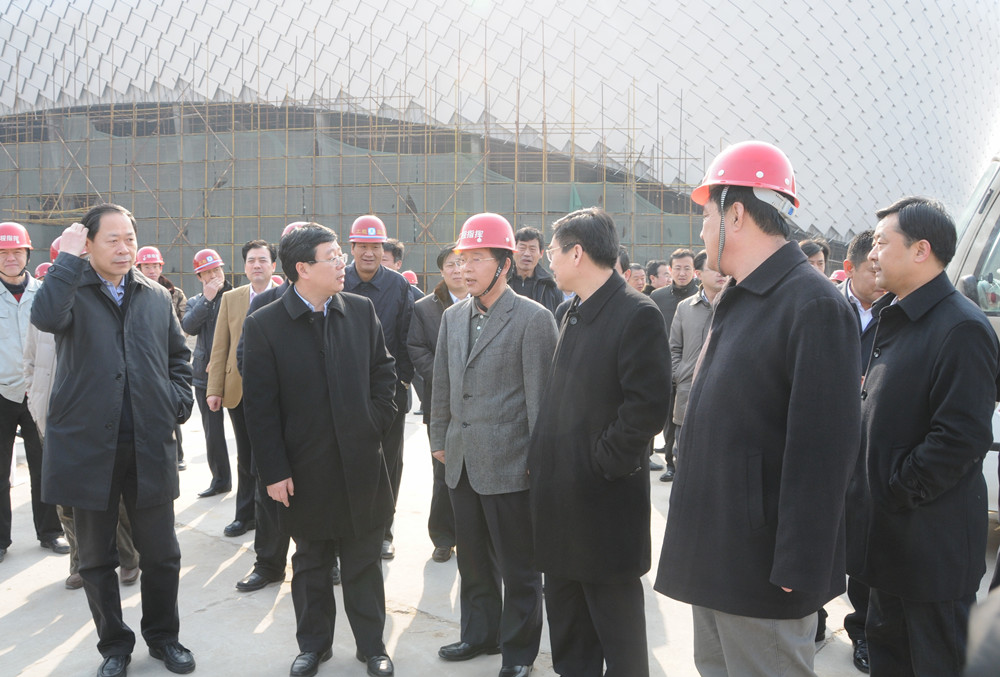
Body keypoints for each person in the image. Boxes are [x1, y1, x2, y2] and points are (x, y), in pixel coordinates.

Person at [655, 141, 861, 677]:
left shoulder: (812, 304)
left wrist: (800, 559)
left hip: (763, 567)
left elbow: (824, 449)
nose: (702, 232)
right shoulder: (742, 295)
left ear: (737, 215)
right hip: (718, 552)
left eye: (707, 217)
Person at [32, 205, 195, 677]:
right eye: (113, 240)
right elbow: (45, 317)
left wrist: (175, 402)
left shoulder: (154, 296)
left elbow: (178, 358)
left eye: (130, 239)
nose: (125, 249)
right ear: (88, 244)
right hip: (89, 448)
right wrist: (66, 259)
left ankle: (164, 638)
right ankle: (114, 646)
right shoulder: (70, 289)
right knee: (96, 559)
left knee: (162, 554)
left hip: (148, 443)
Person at [849, 196, 999, 676]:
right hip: (888, 545)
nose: (872, 253)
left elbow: (960, 438)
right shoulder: (894, 316)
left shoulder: (962, 328)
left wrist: (894, 489)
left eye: (881, 242)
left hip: (929, 552)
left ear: (921, 250)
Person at [242, 223, 396, 677]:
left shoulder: (360, 311)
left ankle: (372, 646)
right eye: (332, 257)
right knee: (310, 563)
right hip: (303, 470)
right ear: (303, 268)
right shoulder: (265, 323)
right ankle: (313, 646)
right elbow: (259, 408)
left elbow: (384, 374)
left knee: (364, 560)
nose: (342, 263)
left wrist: (372, 422)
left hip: (360, 463)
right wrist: (274, 471)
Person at [528, 207, 670, 677]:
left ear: (577, 253)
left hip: (603, 505)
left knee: (618, 636)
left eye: (552, 250)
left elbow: (646, 409)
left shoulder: (636, 313)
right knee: (570, 632)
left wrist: (599, 463)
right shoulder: (569, 310)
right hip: (560, 500)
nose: (548, 260)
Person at [431, 214, 556, 677]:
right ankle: (478, 634)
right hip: (461, 460)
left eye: (476, 259)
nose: (464, 269)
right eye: (461, 259)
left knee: (519, 567)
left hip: (511, 464)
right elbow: (442, 384)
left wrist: (537, 462)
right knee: (474, 561)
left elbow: (541, 401)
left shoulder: (533, 319)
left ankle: (519, 652)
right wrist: (439, 439)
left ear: (504, 264)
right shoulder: (452, 316)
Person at [23, 256, 141, 591]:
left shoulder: (95, 304)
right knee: (66, 500)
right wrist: (36, 403)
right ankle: (79, 561)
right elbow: (30, 362)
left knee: (110, 496)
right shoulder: (45, 307)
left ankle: (128, 558)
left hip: (93, 420)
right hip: (54, 421)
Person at [343, 215, 414, 560]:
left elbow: (408, 337)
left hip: (388, 392)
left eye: (375, 246)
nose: (369, 253)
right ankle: (346, 534)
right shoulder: (338, 280)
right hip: (343, 391)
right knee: (345, 464)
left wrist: (402, 381)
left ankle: (384, 532)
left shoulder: (398, 286)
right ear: (352, 247)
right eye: (363, 246)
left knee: (388, 464)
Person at [0, 221, 66, 564]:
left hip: (38, 392)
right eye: (3, 252)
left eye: (16, 251)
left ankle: (50, 531)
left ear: (28, 253)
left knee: (45, 466)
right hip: (2, 392)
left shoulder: (45, 292)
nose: (10, 258)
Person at [835, 229, 883, 673]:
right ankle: (811, 614)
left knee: (867, 545)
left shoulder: (898, 311)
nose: (881, 277)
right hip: (827, 441)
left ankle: (863, 629)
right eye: (873, 269)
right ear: (850, 268)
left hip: (872, 447)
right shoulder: (824, 307)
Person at [207, 240, 277, 538]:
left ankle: (270, 517)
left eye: (263, 260)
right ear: (244, 266)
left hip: (274, 391)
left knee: (270, 456)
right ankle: (245, 515)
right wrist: (214, 388)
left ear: (274, 265)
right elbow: (220, 344)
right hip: (238, 389)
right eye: (251, 260)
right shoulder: (231, 298)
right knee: (245, 456)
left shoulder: (284, 295)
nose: (257, 265)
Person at [406, 244, 466, 563]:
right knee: (443, 472)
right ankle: (443, 537)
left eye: (462, 263)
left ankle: (474, 535)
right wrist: (445, 379)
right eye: (451, 265)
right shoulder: (425, 308)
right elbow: (416, 348)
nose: (458, 269)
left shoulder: (486, 300)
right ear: (441, 271)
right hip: (441, 405)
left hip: (482, 403)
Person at [181, 249, 233, 499]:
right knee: (213, 432)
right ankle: (220, 480)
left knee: (246, 430)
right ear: (199, 277)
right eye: (207, 272)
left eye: (216, 270)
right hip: (204, 374)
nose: (214, 276)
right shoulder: (195, 301)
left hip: (234, 373)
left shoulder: (236, 297)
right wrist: (207, 300)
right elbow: (188, 326)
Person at [667, 250, 726, 465]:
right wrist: (680, 375)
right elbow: (674, 348)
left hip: (724, 398)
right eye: (714, 268)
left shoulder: (737, 305)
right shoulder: (685, 308)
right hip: (687, 394)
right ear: (698, 274)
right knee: (683, 458)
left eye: (723, 268)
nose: (721, 273)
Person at [136, 245, 188, 470]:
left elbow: (184, 325)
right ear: (139, 267)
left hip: (168, 355)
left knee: (171, 406)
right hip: (145, 359)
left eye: (155, 266)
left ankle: (177, 455)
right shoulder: (134, 291)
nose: (151, 270)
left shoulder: (174, 293)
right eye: (147, 266)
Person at [649, 248, 699, 480]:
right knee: (669, 420)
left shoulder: (701, 296)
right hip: (664, 367)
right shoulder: (657, 298)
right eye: (677, 268)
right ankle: (671, 463)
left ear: (695, 271)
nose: (682, 273)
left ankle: (690, 464)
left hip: (693, 368)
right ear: (670, 270)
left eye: (687, 268)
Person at [509, 226, 562, 314]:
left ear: (541, 253)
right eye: (522, 248)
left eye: (532, 249)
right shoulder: (502, 282)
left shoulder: (550, 286)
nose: (527, 254)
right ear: (513, 250)